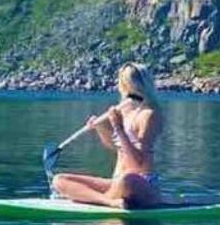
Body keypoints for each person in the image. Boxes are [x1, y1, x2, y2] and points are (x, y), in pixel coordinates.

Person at [51, 63, 165, 210]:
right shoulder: (126, 111)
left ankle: (93, 197)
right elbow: (116, 147)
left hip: (139, 183)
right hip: (116, 181)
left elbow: (139, 162)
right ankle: (109, 201)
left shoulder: (149, 115)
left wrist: (118, 127)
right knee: (59, 180)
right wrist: (100, 127)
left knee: (126, 181)